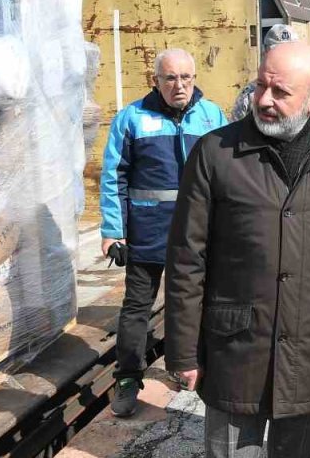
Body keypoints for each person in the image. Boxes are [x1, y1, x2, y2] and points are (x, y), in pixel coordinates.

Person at [164, 43, 310, 457]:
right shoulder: (214, 154)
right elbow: (187, 261)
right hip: (235, 354)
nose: (263, 100)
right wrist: (183, 352)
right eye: (261, 85)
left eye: (280, 93)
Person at [99, 48, 227, 417]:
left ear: (195, 78)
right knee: (137, 308)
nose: (179, 85)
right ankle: (127, 379)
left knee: (197, 304)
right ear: (155, 81)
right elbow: (114, 176)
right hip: (146, 234)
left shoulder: (212, 116)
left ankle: (189, 365)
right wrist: (113, 230)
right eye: (170, 78)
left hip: (200, 234)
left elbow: (227, 176)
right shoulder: (132, 119)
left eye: (186, 77)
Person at [229, 24, 300, 122]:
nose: (283, 59)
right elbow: (235, 131)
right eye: (277, 54)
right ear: (265, 53)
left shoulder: (307, 90)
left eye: (288, 53)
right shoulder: (251, 94)